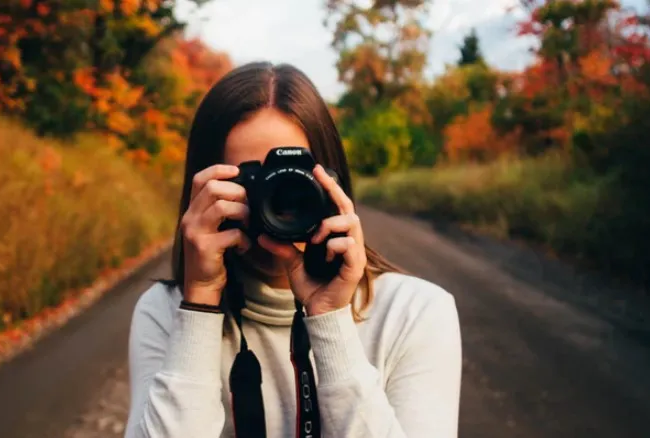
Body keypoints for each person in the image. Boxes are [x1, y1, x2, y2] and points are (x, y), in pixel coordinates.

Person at [123, 62, 462, 438]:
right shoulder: (166, 312)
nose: (276, 203)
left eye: (294, 183)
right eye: (251, 182)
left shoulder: (416, 313)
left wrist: (330, 319)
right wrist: (201, 301)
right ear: (202, 191)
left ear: (333, 183)